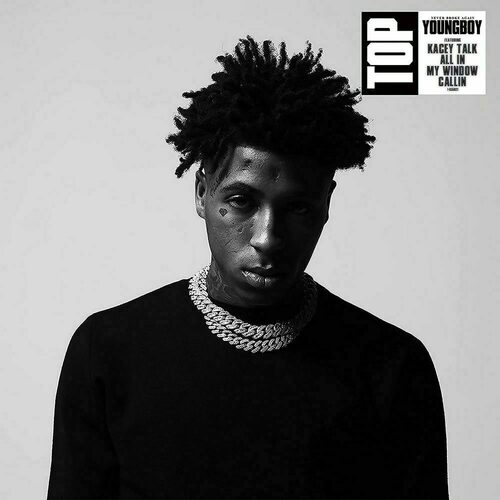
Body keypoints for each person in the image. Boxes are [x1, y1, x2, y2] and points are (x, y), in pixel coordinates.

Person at [48, 36, 449, 499]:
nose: (267, 237)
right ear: (202, 192)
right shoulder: (108, 350)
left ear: (326, 205)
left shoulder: (392, 366)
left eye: (297, 208)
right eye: (241, 201)